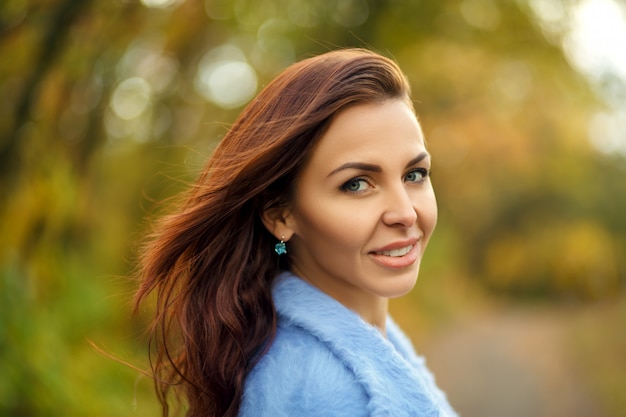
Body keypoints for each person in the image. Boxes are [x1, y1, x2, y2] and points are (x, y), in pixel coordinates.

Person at [134, 48, 457, 417]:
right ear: (280, 214)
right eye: (356, 185)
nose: (404, 212)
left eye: (414, 175)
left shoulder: (353, 354)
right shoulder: (322, 396)